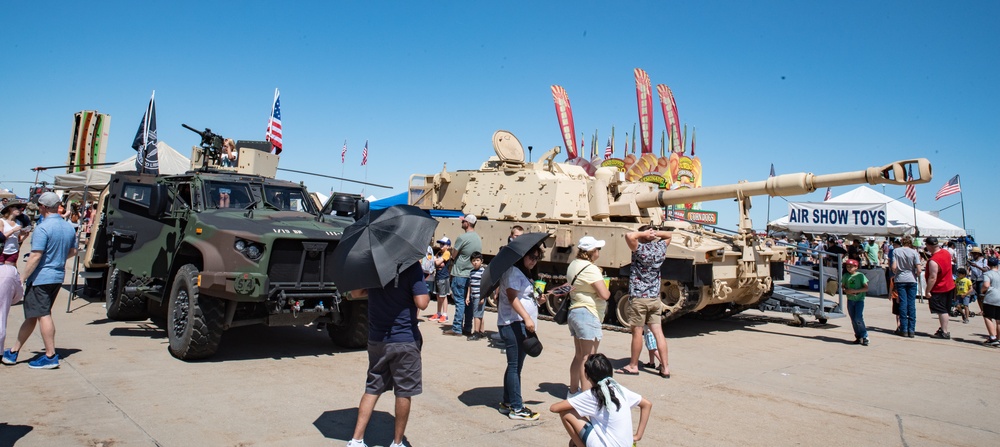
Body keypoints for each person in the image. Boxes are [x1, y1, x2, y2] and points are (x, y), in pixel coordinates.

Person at [346, 261, 430, 447]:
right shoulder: (411, 266)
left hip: (377, 339)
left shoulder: (373, 265)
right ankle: (397, 442)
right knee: (404, 391)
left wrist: (376, 290)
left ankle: (356, 439)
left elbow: (356, 293)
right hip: (404, 339)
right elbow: (422, 303)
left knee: (372, 387)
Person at [2, 192, 77, 369]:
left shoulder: (43, 228)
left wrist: (21, 278)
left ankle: (50, 355)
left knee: (43, 314)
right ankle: (13, 351)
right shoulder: (68, 227)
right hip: (57, 276)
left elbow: (36, 256)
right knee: (34, 314)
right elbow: (73, 251)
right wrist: (57, 259)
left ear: (43, 207)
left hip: (41, 277)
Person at [549, 353, 652, 447]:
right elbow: (647, 404)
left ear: (587, 376)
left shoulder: (592, 394)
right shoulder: (618, 389)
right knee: (573, 442)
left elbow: (554, 408)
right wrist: (638, 435)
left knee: (566, 412)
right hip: (626, 444)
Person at [497, 244, 546, 420]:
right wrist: (526, 318)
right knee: (514, 366)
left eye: (537, 258)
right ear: (522, 256)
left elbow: (524, 297)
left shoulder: (524, 273)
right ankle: (517, 408)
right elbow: (512, 298)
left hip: (520, 324)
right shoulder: (513, 272)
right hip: (512, 323)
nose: (534, 261)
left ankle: (508, 402)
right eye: (531, 257)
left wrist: (539, 300)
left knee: (515, 365)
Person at [618, 225, 671, 378]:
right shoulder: (660, 248)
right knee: (659, 333)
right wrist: (654, 233)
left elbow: (629, 236)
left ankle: (633, 365)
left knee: (637, 333)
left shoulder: (639, 249)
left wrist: (644, 233)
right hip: (654, 298)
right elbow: (669, 235)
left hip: (639, 297)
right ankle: (665, 368)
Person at [566, 236, 611, 395]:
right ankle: (586, 395)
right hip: (588, 313)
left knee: (579, 355)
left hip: (575, 311)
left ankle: (573, 391)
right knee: (588, 358)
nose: (599, 251)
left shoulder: (574, 264)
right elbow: (605, 295)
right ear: (592, 251)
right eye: (598, 249)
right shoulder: (591, 269)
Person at [448, 214, 482, 336]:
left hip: (460, 273)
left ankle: (457, 328)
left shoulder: (462, 237)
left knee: (460, 301)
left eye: (463, 221)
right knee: (469, 303)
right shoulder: (478, 238)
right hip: (471, 274)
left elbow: (453, 255)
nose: (461, 223)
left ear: (467, 223)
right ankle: (467, 327)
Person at [924, 237, 956, 339]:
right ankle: (943, 328)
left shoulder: (933, 261)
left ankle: (944, 331)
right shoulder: (946, 253)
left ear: (929, 246)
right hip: (949, 285)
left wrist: (927, 291)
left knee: (941, 310)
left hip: (940, 288)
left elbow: (933, 277)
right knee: (945, 309)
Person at [891, 236, 921, 338]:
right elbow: (919, 269)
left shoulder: (896, 251)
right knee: (911, 304)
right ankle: (911, 329)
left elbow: (894, 267)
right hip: (911, 278)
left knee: (903, 303)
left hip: (900, 278)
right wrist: (915, 274)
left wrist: (897, 271)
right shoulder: (914, 252)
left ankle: (903, 329)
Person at [842, 259, 870, 346]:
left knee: (858, 318)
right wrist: (846, 290)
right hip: (850, 300)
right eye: (848, 266)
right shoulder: (845, 276)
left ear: (856, 267)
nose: (849, 268)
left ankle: (864, 336)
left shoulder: (860, 276)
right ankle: (858, 335)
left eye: (851, 266)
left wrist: (856, 291)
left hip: (859, 300)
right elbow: (842, 286)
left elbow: (866, 288)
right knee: (853, 319)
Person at [978, 257, 1000, 346]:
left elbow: (986, 285)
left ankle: (992, 337)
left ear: (988, 265)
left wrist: (982, 290)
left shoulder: (987, 274)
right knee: (999, 320)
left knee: (987, 317)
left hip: (991, 297)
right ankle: (999, 338)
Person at [466, 252, 486, 341]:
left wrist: (482, 296)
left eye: (477, 260)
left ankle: (476, 332)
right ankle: (481, 331)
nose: (475, 262)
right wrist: (468, 297)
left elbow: (484, 285)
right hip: (473, 296)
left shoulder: (483, 272)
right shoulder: (472, 272)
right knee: (479, 314)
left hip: (479, 296)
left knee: (476, 315)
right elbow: (470, 285)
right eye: (473, 260)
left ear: (481, 261)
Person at [431, 238, 451, 323]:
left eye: (443, 244)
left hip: (443, 277)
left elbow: (437, 263)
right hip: (438, 277)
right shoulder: (439, 252)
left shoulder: (447, 253)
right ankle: (438, 313)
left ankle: (445, 315)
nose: (441, 245)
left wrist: (437, 261)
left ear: (448, 246)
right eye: (440, 244)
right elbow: (433, 260)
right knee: (438, 296)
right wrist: (437, 260)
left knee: (443, 296)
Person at [2, 201, 28, 265]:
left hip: (14, 251)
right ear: (10, 208)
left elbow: (19, 240)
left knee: (9, 270)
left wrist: (25, 235)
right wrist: (13, 230)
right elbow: (1, 238)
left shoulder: (19, 223)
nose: (20, 209)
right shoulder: (2, 221)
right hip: (2, 250)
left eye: (21, 208)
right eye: (18, 207)